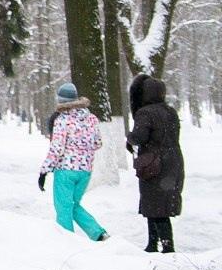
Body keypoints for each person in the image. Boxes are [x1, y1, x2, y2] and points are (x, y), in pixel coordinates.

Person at [38, 83, 109, 242]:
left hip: (66, 170)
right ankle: (98, 233)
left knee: (63, 207)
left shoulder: (62, 120)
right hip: (85, 170)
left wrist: (44, 170)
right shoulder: (91, 118)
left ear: (60, 100)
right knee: (73, 205)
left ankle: (67, 243)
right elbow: (97, 143)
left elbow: (57, 148)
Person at [126, 74, 184, 253]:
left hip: (154, 164)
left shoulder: (145, 113)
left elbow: (140, 137)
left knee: (155, 206)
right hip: (173, 161)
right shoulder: (170, 111)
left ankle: (167, 246)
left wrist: (129, 136)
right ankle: (153, 244)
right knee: (159, 204)